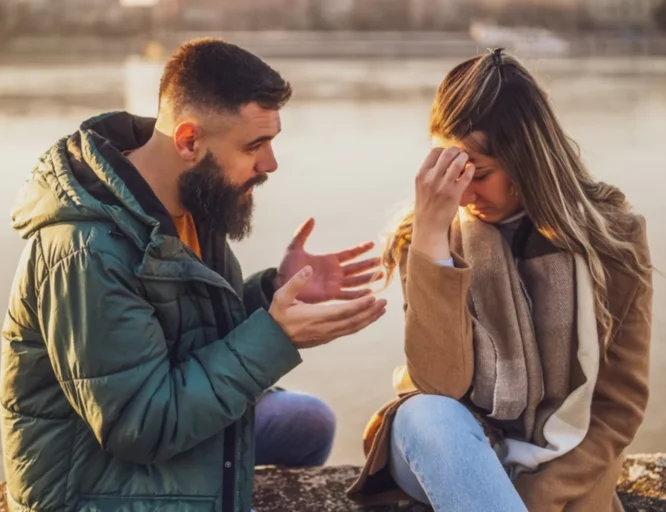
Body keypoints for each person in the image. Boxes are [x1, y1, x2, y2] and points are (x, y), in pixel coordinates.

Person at [1, 38, 387, 512]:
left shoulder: (189, 205)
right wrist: (273, 337)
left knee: (308, 421)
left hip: (142, 427)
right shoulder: (86, 251)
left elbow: (185, 336)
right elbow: (141, 425)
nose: (270, 164)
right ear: (188, 141)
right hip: (93, 484)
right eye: (254, 146)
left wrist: (271, 296)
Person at [348, 49, 653, 512]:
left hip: (562, 462)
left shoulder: (613, 238)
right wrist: (431, 238)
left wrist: (533, 497)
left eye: (480, 174)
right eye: (454, 172)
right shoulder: (428, 234)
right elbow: (440, 385)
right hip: (449, 449)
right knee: (428, 413)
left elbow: (618, 407)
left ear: (527, 160)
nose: (464, 194)